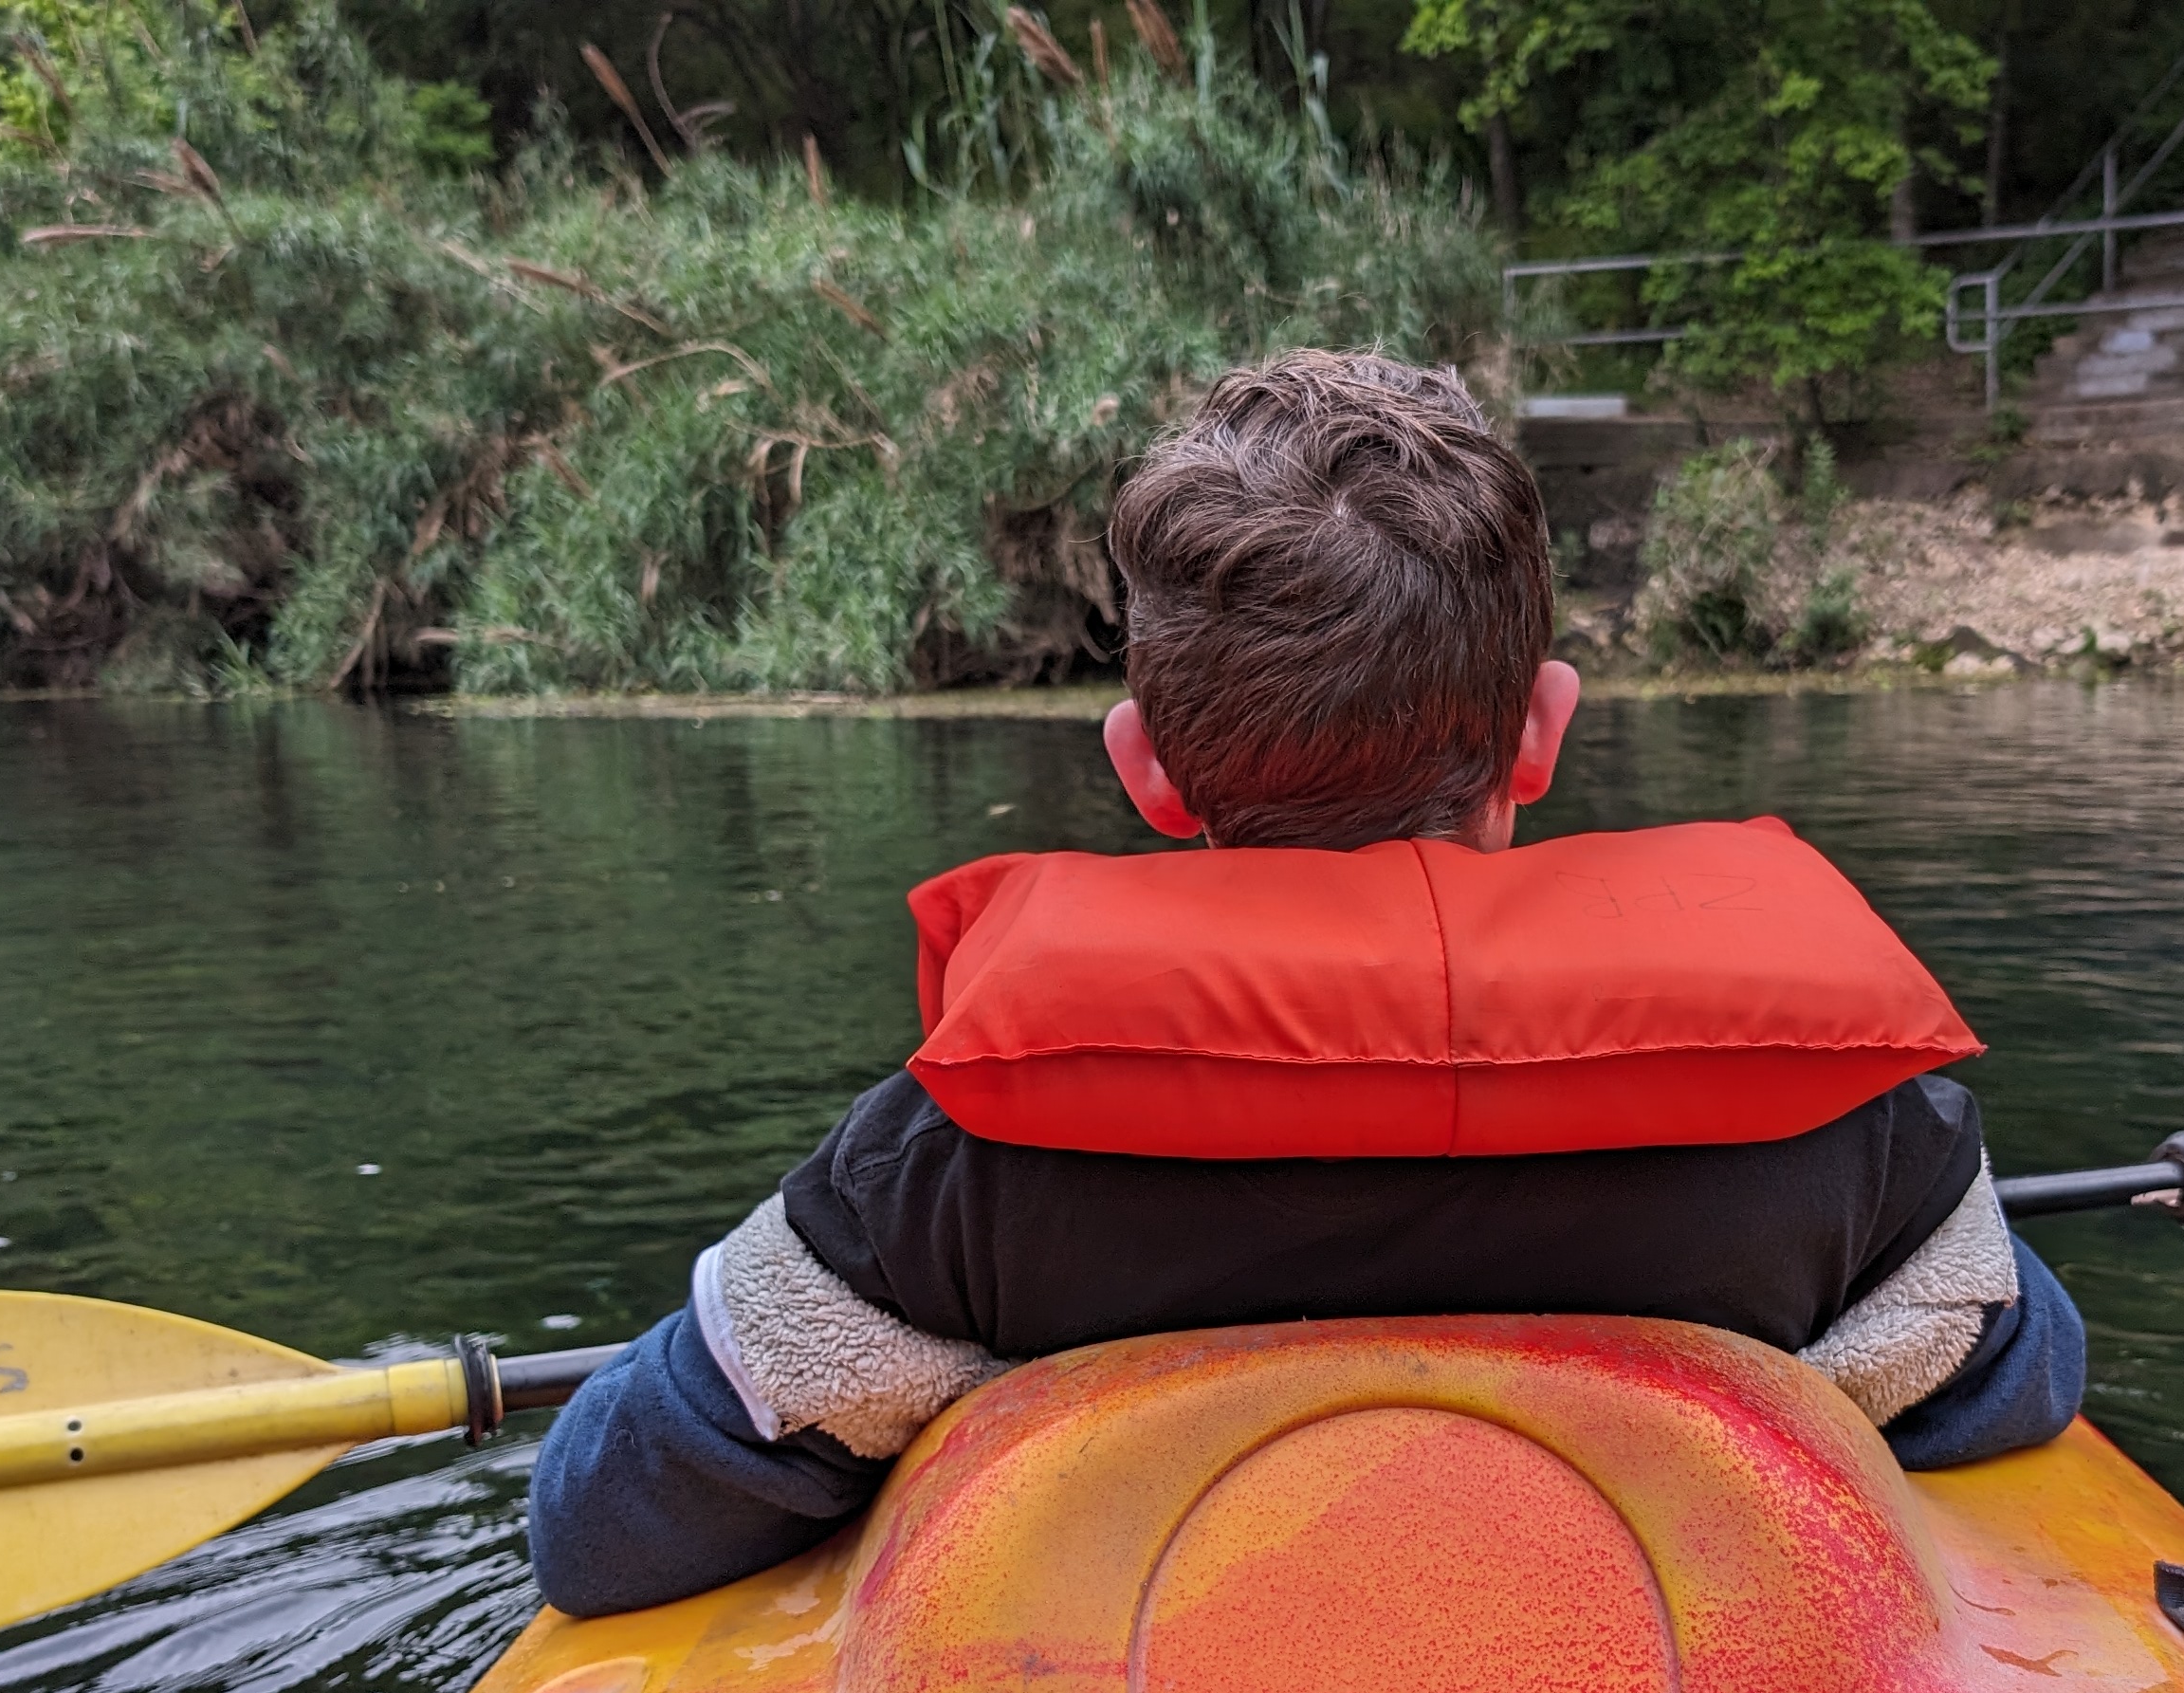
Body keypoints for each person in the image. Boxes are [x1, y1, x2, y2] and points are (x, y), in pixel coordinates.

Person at [523, 350, 2088, 1618]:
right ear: (1541, 732)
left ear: (1143, 767)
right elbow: (2006, 1376)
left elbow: (605, 1523)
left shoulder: (946, 1175)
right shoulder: (1858, 1142)